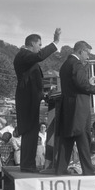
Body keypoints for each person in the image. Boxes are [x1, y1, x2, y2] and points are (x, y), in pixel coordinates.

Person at [14, 28, 61, 173]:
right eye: (39, 44)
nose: (40, 47)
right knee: (30, 131)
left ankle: (28, 164)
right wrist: (56, 42)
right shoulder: (24, 55)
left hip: (30, 98)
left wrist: (45, 95)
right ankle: (27, 165)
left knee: (32, 131)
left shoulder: (26, 58)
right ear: (32, 44)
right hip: (27, 100)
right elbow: (40, 56)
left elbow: (32, 84)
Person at [55, 40, 95, 176]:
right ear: (81, 51)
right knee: (83, 139)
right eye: (87, 53)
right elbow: (81, 84)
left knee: (67, 140)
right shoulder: (77, 64)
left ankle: (60, 170)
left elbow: (75, 84)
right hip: (79, 108)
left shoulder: (65, 65)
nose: (88, 57)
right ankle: (88, 171)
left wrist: (86, 83)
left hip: (68, 106)